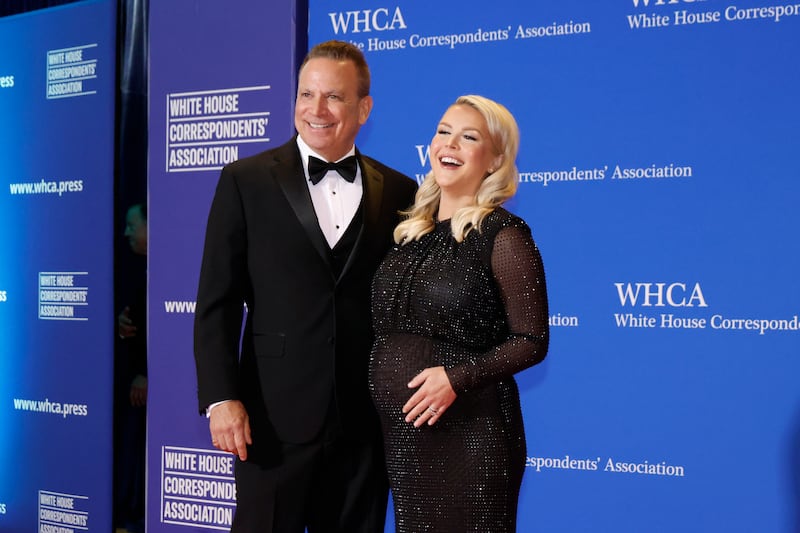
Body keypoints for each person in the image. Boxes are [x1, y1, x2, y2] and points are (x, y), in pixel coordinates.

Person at [193, 40, 417, 533]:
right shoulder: (245, 180)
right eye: (306, 94)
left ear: (364, 108)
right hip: (270, 420)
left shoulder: (402, 191)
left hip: (364, 423)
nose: (316, 109)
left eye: (334, 97)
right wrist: (221, 398)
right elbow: (217, 301)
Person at [369, 94, 550, 532]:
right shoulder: (411, 233)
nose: (449, 144)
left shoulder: (503, 234)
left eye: (469, 137)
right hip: (407, 443)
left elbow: (532, 340)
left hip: (472, 435)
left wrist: (456, 378)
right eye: (443, 132)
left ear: (495, 160)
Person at [114, 202, 148, 533]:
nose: (126, 233)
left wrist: (146, 373)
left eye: (132, 225)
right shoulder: (137, 272)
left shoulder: (170, 270)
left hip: (152, 385)